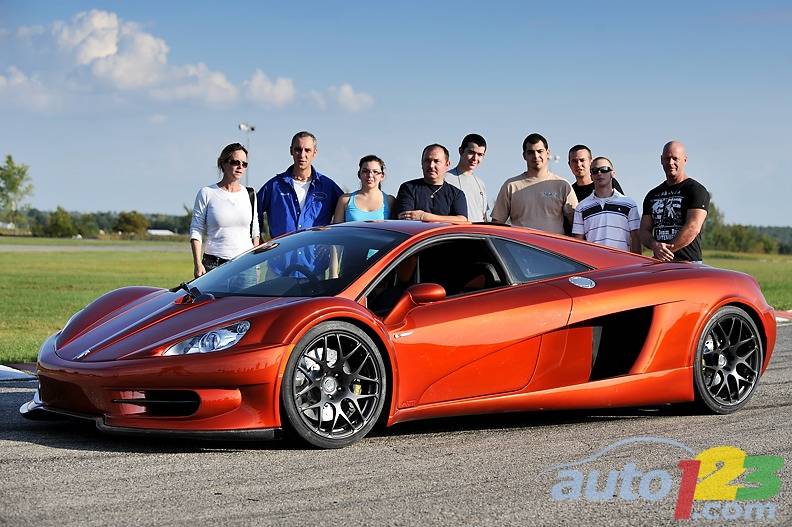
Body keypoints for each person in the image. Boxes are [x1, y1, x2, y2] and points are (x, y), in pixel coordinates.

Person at [190, 143, 260, 278]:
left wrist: (255, 264)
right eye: (235, 162)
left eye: (244, 164)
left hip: (245, 266)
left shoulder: (250, 194)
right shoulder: (207, 193)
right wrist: (197, 263)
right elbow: (196, 230)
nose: (240, 167)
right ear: (223, 163)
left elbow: (255, 232)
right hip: (213, 266)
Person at [257, 131, 343, 239]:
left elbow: (348, 213)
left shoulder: (328, 187)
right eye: (298, 149)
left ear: (314, 152)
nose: (302, 155)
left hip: (316, 250)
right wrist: (260, 242)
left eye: (307, 150)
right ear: (291, 151)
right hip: (283, 250)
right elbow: (252, 216)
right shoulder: (274, 186)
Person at [491, 133, 577, 234]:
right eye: (531, 152)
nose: (536, 156)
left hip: (552, 244)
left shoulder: (562, 185)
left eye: (540, 151)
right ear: (524, 156)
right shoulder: (511, 186)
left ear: (548, 153)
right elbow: (496, 224)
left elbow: (577, 225)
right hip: (520, 243)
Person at [639, 141, 709, 263]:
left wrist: (665, 252)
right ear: (661, 160)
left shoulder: (696, 190)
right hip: (660, 264)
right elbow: (644, 231)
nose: (671, 163)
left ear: (685, 160)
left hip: (688, 264)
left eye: (675, 158)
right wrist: (654, 245)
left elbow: (693, 228)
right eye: (667, 158)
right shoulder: (652, 195)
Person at [572, 157, 641, 253]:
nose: (599, 173)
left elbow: (636, 237)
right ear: (591, 176)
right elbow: (578, 242)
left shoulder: (629, 204)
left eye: (604, 169)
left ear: (613, 173)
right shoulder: (581, 207)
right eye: (595, 171)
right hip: (594, 261)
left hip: (622, 260)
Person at [393, 144, 468, 222]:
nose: (431, 165)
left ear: (447, 164)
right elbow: (405, 218)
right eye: (427, 161)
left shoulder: (456, 194)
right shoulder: (408, 188)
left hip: (444, 231)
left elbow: (462, 220)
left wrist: (424, 216)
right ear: (422, 163)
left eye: (436, 161)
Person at [332, 155, 395, 223]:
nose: (370, 175)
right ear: (359, 174)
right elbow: (336, 228)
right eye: (365, 171)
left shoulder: (390, 201)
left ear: (382, 176)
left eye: (375, 172)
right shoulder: (345, 200)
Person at [445, 133, 489, 222]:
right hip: (455, 230)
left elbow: (484, 217)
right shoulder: (445, 179)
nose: (475, 158)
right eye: (471, 152)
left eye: (480, 155)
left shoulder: (481, 184)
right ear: (461, 151)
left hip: (477, 231)